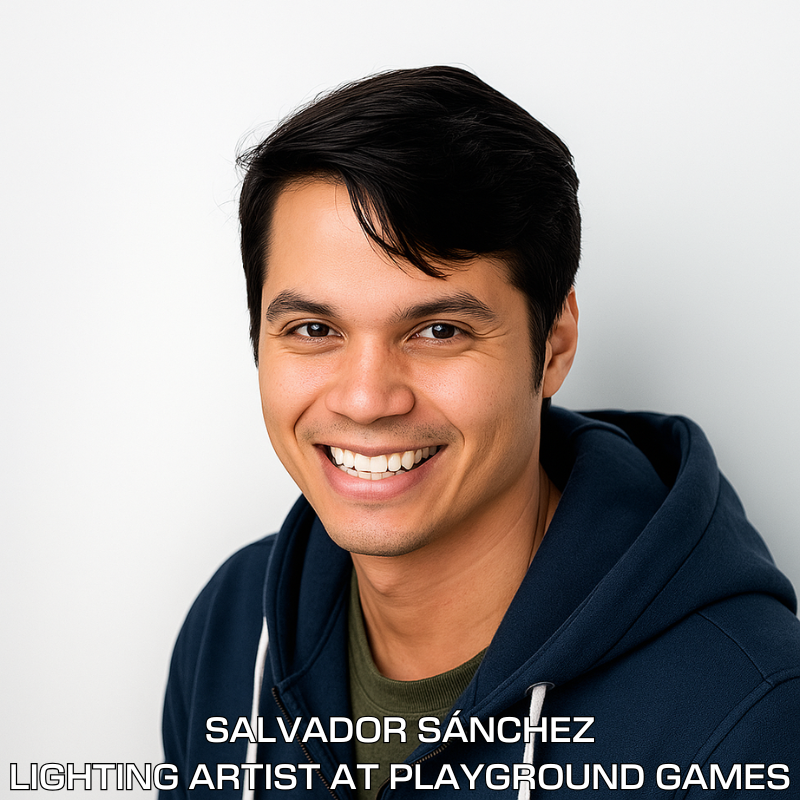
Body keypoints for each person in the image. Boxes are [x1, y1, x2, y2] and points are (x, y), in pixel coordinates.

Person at [161, 66, 800, 798]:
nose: (366, 400)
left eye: (438, 330)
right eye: (313, 329)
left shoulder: (752, 718)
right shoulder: (233, 627)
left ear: (553, 346)